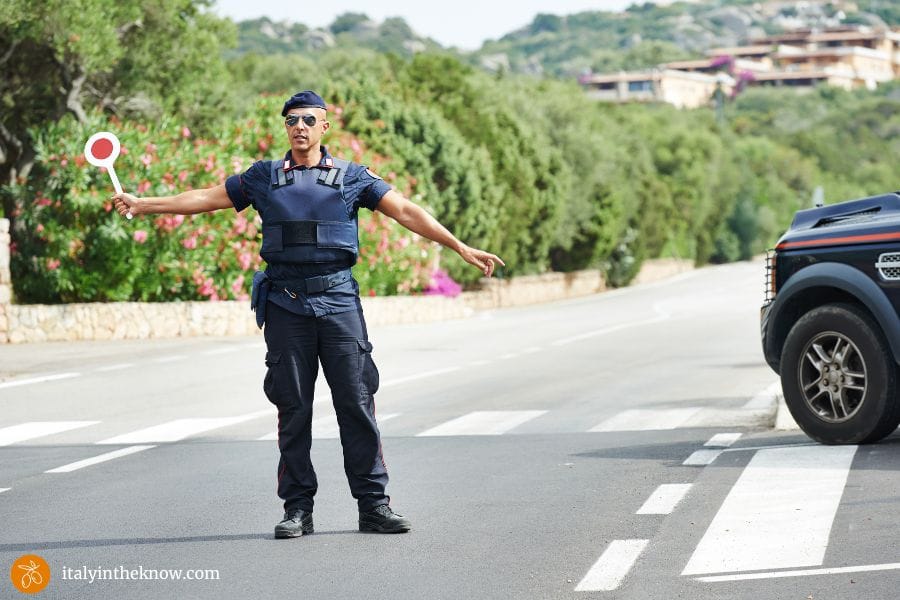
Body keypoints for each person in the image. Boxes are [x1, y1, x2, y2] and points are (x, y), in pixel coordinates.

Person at [113, 90, 504, 538]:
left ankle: (374, 506)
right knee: (292, 409)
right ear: (285, 127)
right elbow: (206, 197)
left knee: (357, 404)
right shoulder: (262, 177)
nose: (299, 126)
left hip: (338, 302)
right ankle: (298, 509)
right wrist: (143, 204)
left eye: (308, 120)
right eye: (291, 120)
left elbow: (407, 211)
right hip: (286, 305)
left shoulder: (353, 177)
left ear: (324, 127)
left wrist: (459, 246)